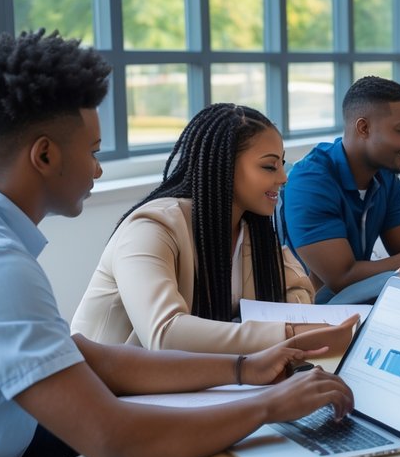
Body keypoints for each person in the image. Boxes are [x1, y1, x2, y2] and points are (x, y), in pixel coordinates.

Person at [0, 30, 353, 457]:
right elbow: (117, 444)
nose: (98, 167)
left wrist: (244, 368)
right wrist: (267, 405)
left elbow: (89, 355)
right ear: (45, 155)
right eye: (92, 149)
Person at [71, 104, 341, 354]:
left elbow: (294, 289)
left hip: (184, 392)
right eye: (269, 166)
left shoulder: (251, 232)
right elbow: (165, 334)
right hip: (104, 394)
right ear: (225, 166)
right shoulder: (151, 228)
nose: (283, 177)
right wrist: (289, 333)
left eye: (281, 164)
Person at [283, 76, 400, 302]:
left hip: (362, 302)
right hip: (309, 310)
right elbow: (341, 279)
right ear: (363, 127)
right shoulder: (310, 180)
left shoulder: (385, 176)